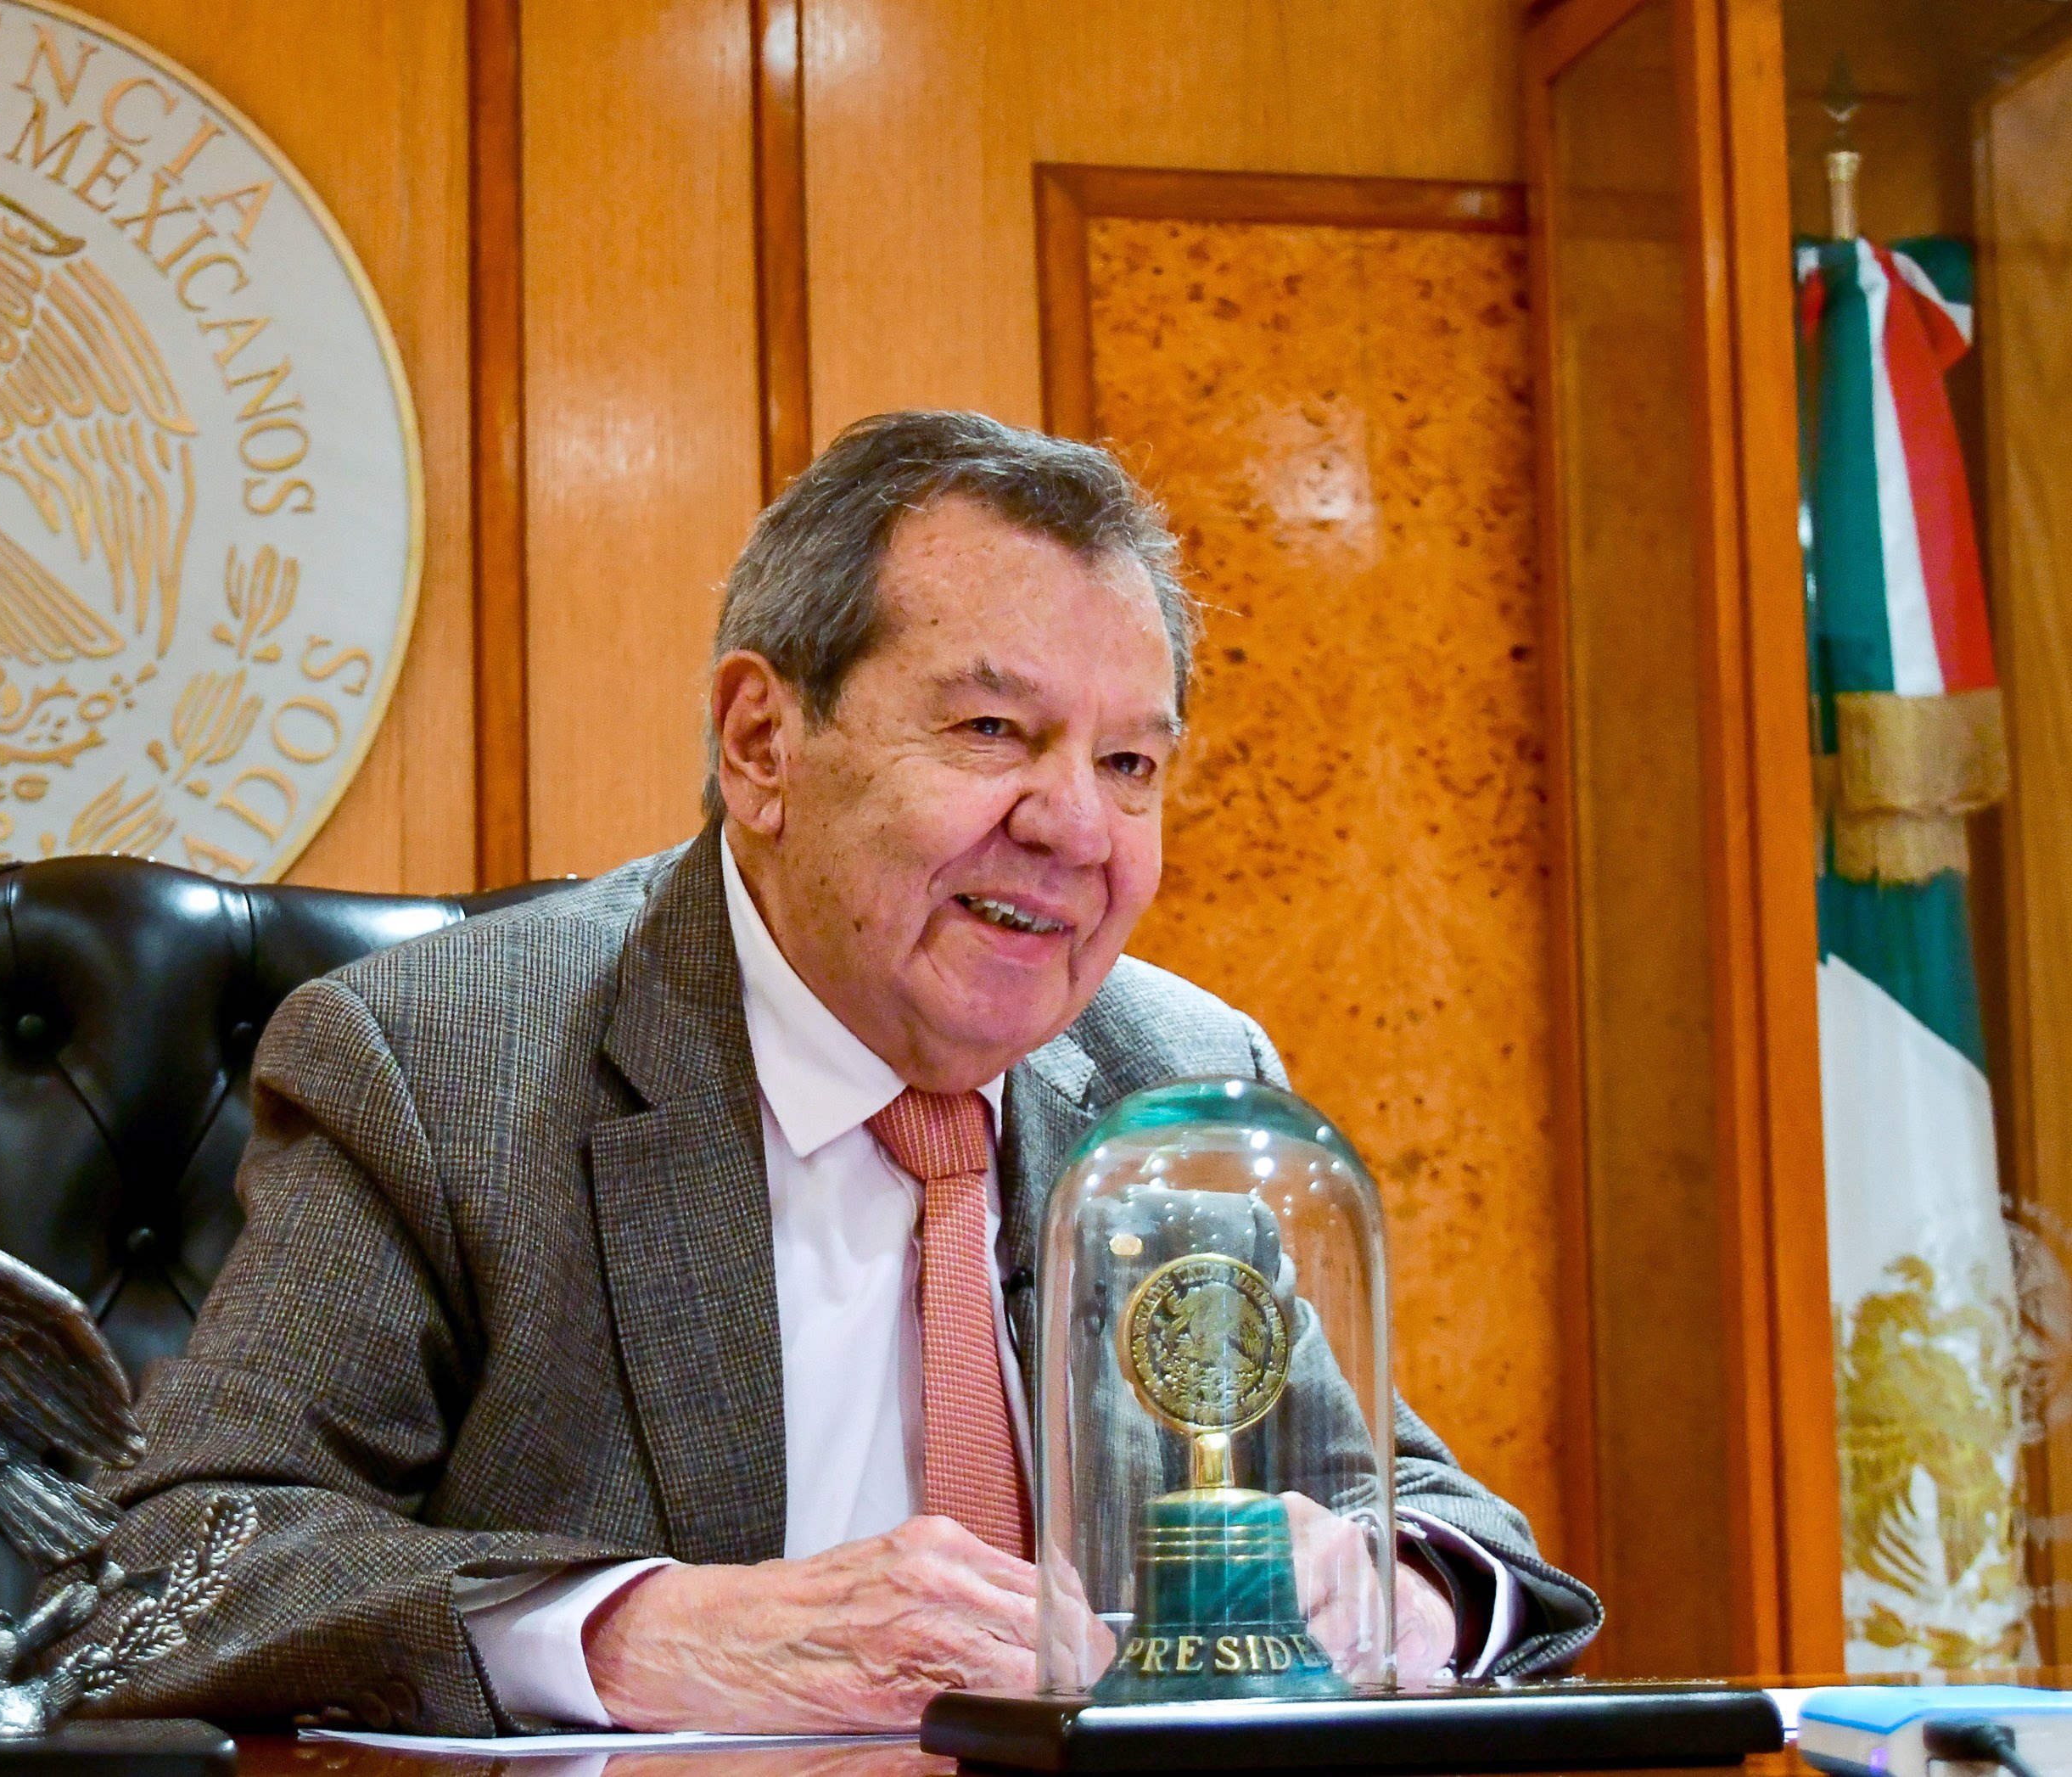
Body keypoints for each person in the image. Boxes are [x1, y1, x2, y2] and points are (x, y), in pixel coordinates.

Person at [98, 412, 1603, 1735]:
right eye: (994, 728)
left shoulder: (1181, 1081)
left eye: (1132, 766)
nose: (1077, 828)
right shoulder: (443, 1066)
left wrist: (1392, 1600)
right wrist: (642, 1632)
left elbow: (1449, 1533)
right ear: (762, 742)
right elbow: (174, 1566)